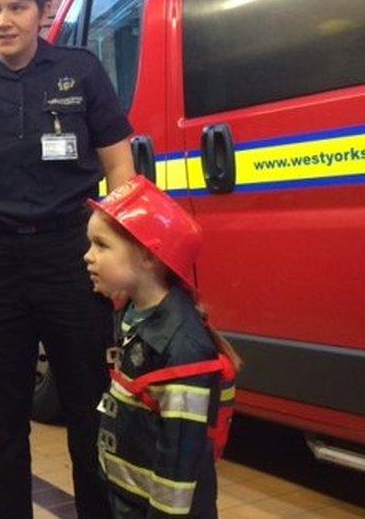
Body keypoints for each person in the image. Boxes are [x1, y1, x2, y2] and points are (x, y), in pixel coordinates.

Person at [0, 0, 135, 516]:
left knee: (87, 412)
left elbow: (120, 165)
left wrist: (119, 249)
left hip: (70, 257)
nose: (3, 21)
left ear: (42, 11)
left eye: (16, 8)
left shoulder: (81, 72)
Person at [84, 175, 241, 518]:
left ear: (147, 256)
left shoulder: (183, 347)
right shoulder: (131, 314)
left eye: (101, 245)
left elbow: (180, 457)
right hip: (129, 498)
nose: (88, 256)